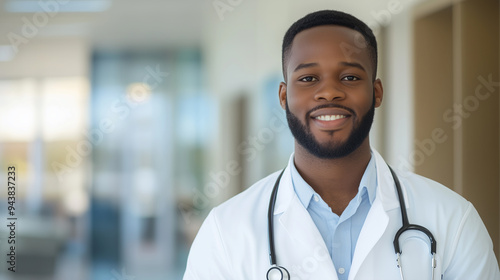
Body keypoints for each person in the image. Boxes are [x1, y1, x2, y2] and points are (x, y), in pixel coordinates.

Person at [183, 10, 500, 280]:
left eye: (349, 78)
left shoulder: (453, 219)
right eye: (308, 79)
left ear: (376, 92)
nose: (329, 92)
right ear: (283, 96)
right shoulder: (226, 231)